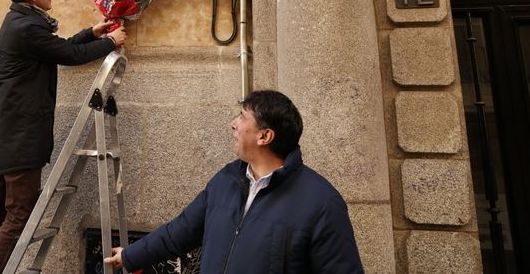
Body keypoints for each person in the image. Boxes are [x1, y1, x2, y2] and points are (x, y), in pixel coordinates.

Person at [104, 89, 364, 274]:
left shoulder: (321, 202)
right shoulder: (226, 180)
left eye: (242, 117)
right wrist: (130, 256)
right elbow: (181, 231)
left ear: (265, 136)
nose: (233, 124)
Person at [0, 0, 126, 274]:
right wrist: (111, 41)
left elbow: (58, 47)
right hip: (19, 136)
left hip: (6, 133)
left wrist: (92, 33)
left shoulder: (22, 22)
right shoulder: (27, 27)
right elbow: (68, 55)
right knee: (18, 214)